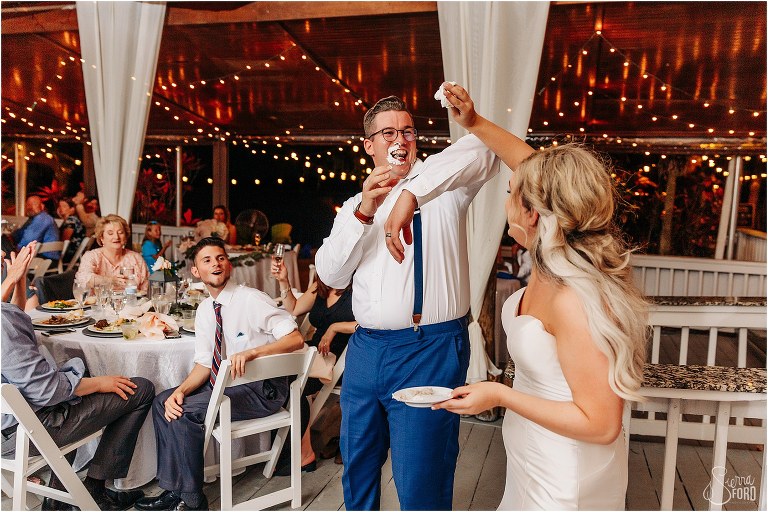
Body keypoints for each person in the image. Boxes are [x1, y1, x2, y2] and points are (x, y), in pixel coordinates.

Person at [421, 86, 648, 510]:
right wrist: (473, 123)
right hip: (532, 461)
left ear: (533, 213)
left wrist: (501, 395)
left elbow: (601, 425)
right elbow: (537, 174)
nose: (505, 200)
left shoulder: (575, 297)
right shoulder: (550, 264)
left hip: (567, 479)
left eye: (510, 192)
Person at [314, 84, 530, 510]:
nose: (400, 141)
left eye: (408, 132)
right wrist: (364, 212)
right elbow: (330, 273)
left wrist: (411, 191)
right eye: (388, 134)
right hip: (365, 349)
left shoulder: (445, 185)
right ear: (368, 145)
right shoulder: (354, 205)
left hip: (427, 348)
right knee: (357, 464)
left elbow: (484, 149)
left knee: (421, 474)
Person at [134, 237, 304, 511]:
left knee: (184, 412)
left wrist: (253, 353)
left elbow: (295, 339)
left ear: (229, 265)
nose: (216, 264)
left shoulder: (251, 299)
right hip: (228, 385)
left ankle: (192, 500)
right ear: (196, 271)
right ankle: (174, 490)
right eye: (207, 260)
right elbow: (204, 365)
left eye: (221, 258)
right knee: (165, 402)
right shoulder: (204, 310)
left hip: (262, 390)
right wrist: (180, 391)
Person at [1, 301, 155, 511]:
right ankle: (95, 490)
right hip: (23, 432)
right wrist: (100, 383)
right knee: (141, 389)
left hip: (9, 429)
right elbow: (45, 390)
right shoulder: (3, 321)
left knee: (79, 376)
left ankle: (57, 498)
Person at [270, 257, 356, 474]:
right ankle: (299, 448)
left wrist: (335, 327)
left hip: (342, 358)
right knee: (277, 374)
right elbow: (294, 308)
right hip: (314, 351)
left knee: (294, 384)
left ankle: (300, 452)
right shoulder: (321, 285)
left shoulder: (359, 285)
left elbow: (369, 322)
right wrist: (284, 281)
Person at [75, 214, 149, 293]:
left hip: (131, 304)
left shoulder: (136, 258)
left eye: (120, 232)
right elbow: (84, 279)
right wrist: (110, 280)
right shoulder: (91, 256)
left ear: (126, 236)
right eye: (110, 233)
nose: (116, 237)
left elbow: (145, 290)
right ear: (102, 237)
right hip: (97, 304)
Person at [13, 195, 60, 260]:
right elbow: (19, 234)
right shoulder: (33, 219)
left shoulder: (42, 218)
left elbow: (28, 240)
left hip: (45, 259)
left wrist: (16, 249)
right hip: (39, 256)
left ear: (42, 206)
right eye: (28, 205)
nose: (30, 207)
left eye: (34, 204)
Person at [1, 241, 37, 310]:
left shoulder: (6, 268)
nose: (3, 253)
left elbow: (16, 315)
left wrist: (20, 280)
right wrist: (10, 280)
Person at [56, 198, 86, 262]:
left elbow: (65, 240)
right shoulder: (73, 219)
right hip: (75, 253)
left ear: (72, 209)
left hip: (69, 253)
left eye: (64, 206)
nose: (61, 208)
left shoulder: (71, 221)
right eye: (59, 206)